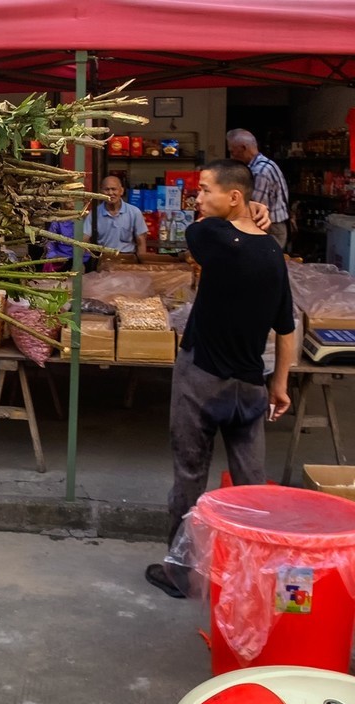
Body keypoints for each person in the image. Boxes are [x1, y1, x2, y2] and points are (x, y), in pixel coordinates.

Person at [146, 160, 294, 598]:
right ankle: (256, 578)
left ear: (232, 197)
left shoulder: (204, 235)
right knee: (251, 484)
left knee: (190, 476)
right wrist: (280, 384)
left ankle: (180, 572)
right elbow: (286, 328)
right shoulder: (272, 254)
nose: (197, 198)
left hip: (201, 378)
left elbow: (209, 228)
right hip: (250, 387)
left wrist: (244, 212)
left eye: (206, 190)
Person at [226, 129, 290, 250]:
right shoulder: (263, 163)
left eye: (232, 151)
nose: (232, 156)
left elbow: (255, 208)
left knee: (264, 262)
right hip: (273, 225)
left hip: (271, 228)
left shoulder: (260, 171)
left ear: (243, 148)